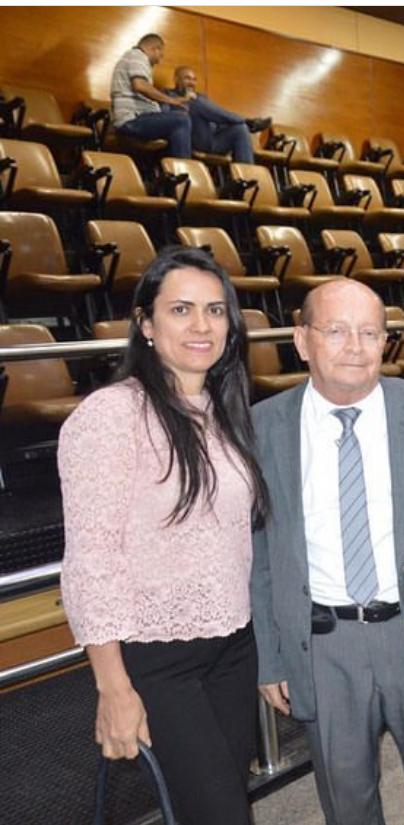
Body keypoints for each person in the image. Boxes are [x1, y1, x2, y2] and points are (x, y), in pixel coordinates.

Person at [249, 279, 404, 825]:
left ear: (386, 342)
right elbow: (260, 553)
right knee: (349, 806)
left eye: (369, 333)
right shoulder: (263, 427)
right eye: (336, 331)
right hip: (324, 647)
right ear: (302, 339)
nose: (355, 347)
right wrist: (270, 655)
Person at [59, 246, 269, 825]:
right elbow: (91, 560)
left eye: (215, 310)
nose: (202, 325)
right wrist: (113, 687)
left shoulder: (224, 413)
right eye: (181, 310)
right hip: (158, 661)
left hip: (233, 647)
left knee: (220, 806)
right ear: (146, 324)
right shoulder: (111, 415)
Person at [109, 33, 192, 157]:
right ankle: (182, 166)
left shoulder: (132, 57)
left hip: (137, 117)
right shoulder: (138, 56)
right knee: (181, 120)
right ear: (154, 49)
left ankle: (171, 167)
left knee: (177, 120)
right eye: (160, 55)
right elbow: (140, 85)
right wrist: (172, 100)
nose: (159, 61)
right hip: (131, 120)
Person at [166, 65, 270, 164]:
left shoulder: (201, 97)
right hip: (193, 140)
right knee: (196, 103)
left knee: (241, 129)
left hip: (215, 139)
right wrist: (186, 100)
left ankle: (246, 174)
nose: (191, 83)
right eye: (187, 78)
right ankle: (248, 122)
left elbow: (216, 116)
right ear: (176, 79)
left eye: (194, 79)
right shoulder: (168, 95)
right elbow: (169, 116)